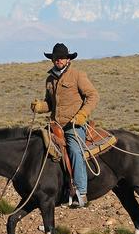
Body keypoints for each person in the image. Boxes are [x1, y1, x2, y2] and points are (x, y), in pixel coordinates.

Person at [31, 43, 99, 207]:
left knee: (75, 150)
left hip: (74, 125)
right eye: (55, 58)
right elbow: (50, 104)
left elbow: (93, 96)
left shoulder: (77, 75)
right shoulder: (50, 79)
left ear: (68, 59)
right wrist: (41, 106)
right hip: (55, 125)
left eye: (61, 57)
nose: (58, 60)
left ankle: (81, 193)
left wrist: (82, 115)